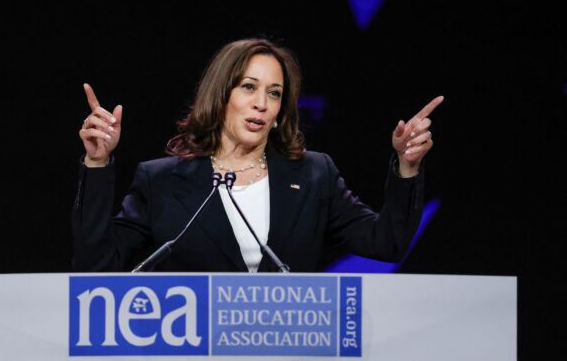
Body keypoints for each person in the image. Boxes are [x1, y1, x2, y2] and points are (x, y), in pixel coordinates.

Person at [72, 38, 443, 272]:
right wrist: (98, 164)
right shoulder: (162, 181)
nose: (262, 104)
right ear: (221, 96)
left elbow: (386, 244)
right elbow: (98, 265)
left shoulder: (315, 175)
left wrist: (407, 168)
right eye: (249, 87)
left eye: (275, 93)